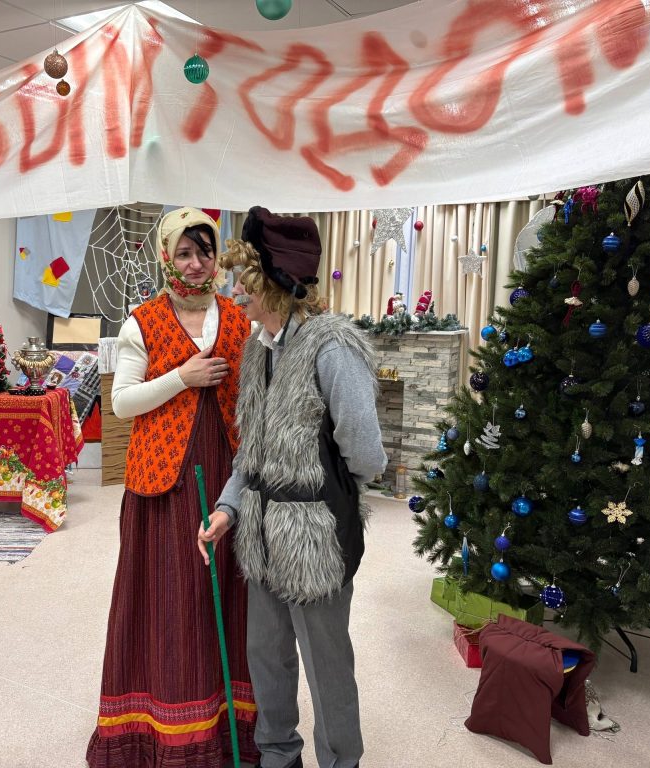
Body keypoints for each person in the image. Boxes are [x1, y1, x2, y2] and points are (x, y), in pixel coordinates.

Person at [198, 207, 387, 768]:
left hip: (315, 539)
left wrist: (320, 499)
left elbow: (366, 453)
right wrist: (229, 506)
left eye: (243, 281)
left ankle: (340, 761)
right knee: (267, 656)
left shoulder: (333, 347)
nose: (233, 292)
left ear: (275, 283)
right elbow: (251, 449)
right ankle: (278, 756)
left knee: (327, 665)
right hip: (261, 535)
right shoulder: (258, 348)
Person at [87, 207, 258, 768]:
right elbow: (121, 402)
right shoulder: (141, 323)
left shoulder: (238, 319)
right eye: (183, 253)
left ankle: (227, 722)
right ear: (166, 257)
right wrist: (182, 378)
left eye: (204, 251)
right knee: (170, 601)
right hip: (164, 483)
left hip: (226, 472)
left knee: (226, 599)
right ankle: (165, 726)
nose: (195, 263)